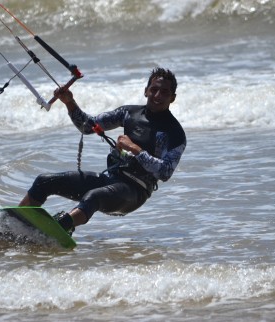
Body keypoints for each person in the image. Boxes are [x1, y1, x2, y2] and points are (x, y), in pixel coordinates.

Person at [18, 67, 186, 235]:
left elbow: (165, 172)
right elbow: (88, 126)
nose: (158, 96)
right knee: (44, 181)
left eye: (164, 92)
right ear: (146, 91)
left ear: (173, 98)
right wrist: (69, 102)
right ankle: (14, 222)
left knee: (93, 196)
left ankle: (57, 229)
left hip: (135, 191)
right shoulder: (129, 113)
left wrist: (134, 148)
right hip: (110, 179)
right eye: (154, 90)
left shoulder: (174, 133)